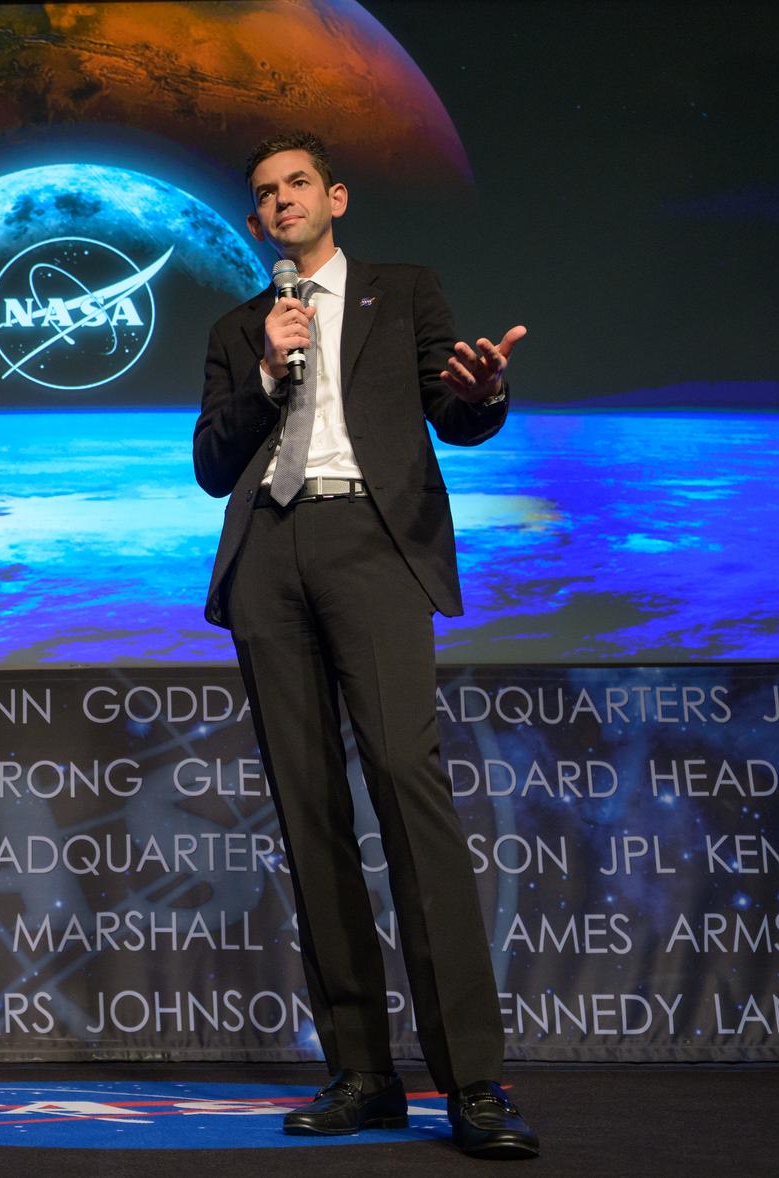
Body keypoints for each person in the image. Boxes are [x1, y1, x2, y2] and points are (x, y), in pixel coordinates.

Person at [192, 131, 538, 1160]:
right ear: (256, 223)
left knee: (404, 780)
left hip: (372, 541)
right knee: (310, 812)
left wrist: (482, 393)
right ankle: (362, 1070)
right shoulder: (238, 325)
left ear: (334, 197)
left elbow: (453, 406)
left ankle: (474, 1080)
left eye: (298, 182)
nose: (283, 200)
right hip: (269, 555)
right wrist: (264, 366)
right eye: (265, 193)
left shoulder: (405, 290)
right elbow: (213, 463)